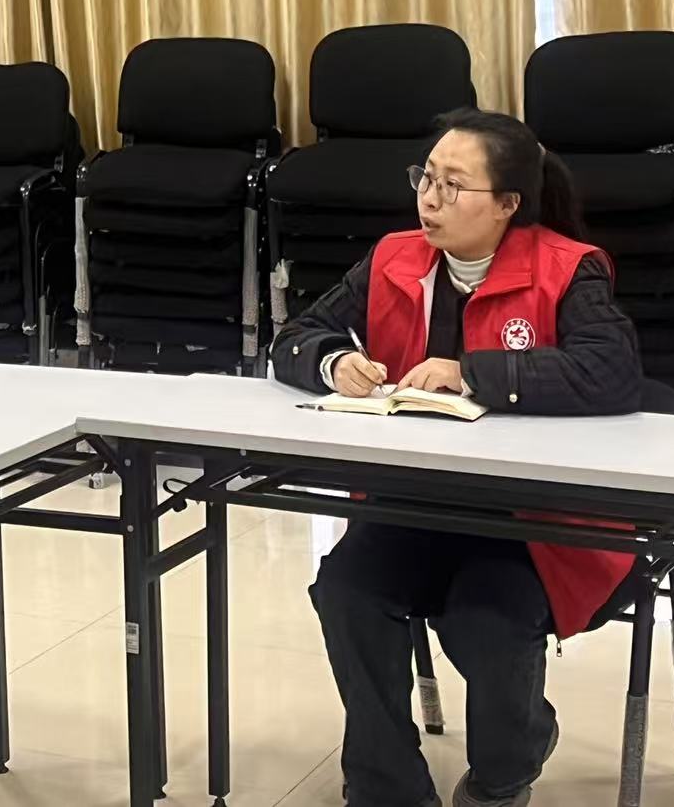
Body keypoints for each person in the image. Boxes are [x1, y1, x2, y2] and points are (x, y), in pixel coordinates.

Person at [272, 109, 643, 807]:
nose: (430, 199)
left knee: (487, 622)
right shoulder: (395, 257)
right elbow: (297, 334)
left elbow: (613, 372)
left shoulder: (567, 269)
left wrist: (473, 373)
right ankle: (386, 788)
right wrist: (332, 362)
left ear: (507, 204)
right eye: (426, 179)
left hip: (528, 520)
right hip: (411, 504)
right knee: (347, 593)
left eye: (453, 184)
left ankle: (507, 770)